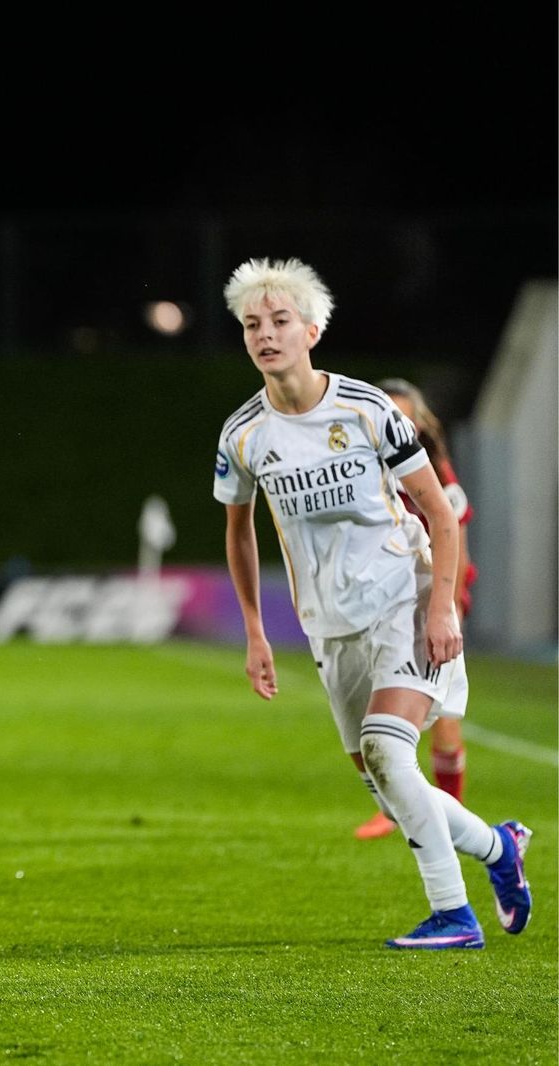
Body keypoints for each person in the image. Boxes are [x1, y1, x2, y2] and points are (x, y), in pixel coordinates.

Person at [213, 256, 530, 949]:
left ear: (312, 329)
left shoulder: (367, 408)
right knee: (388, 783)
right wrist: (255, 633)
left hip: (403, 598)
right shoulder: (242, 434)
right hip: (328, 625)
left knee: (390, 750)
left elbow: (441, 516)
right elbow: (239, 535)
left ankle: (453, 915)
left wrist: (442, 606)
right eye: (251, 325)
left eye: (279, 320)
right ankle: (500, 849)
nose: (265, 334)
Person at [352, 377, 478, 840]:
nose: (397, 423)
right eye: (389, 413)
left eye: (404, 414)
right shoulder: (367, 471)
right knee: (387, 717)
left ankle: (452, 812)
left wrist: (450, 605)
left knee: (443, 724)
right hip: (386, 605)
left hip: (433, 602)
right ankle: (395, 810)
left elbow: (455, 538)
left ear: (418, 421)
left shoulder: (438, 476)